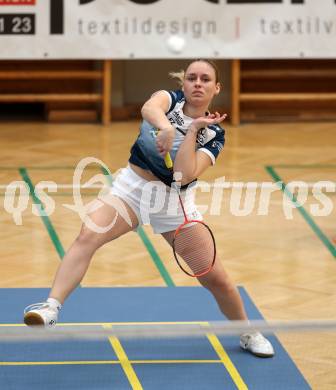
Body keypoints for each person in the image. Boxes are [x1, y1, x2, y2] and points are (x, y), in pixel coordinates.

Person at [23, 59, 274, 357]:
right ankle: (51, 307)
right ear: (183, 83)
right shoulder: (169, 100)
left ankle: (247, 330)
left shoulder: (213, 134)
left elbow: (184, 175)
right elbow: (149, 108)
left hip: (173, 202)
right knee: (87, 237)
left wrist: (192, 131)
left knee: (214, 277)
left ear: (216, 88)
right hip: (131, 190)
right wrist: (167, 127)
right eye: (191, 77)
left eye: (205, 79)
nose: (197, 83)